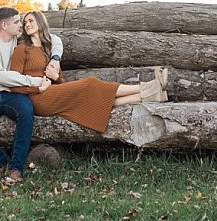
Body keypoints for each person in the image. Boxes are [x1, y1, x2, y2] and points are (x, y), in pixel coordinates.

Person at [9, 11, 169, 133]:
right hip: (37, 99)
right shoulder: (22, 50)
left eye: (30, 20)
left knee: (95, 100)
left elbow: (61, 81)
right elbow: (13, 83)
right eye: (25, 22)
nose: (27, 24)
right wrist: (37, 88)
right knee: (90, 84)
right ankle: (145, 86)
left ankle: (151, 95)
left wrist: (56, 76)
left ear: (40, 22)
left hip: (52, 92)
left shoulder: (47, 51)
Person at [0, 7, 61, 183]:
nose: (21, 25)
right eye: (16, 22)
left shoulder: (18, 39)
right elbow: (0, 76)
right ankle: (2, 161)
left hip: (13, 94)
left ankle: (15, 169)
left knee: (26, 112)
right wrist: (35, 81)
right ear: (4, 24)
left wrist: (55, 58)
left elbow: (54, 39)